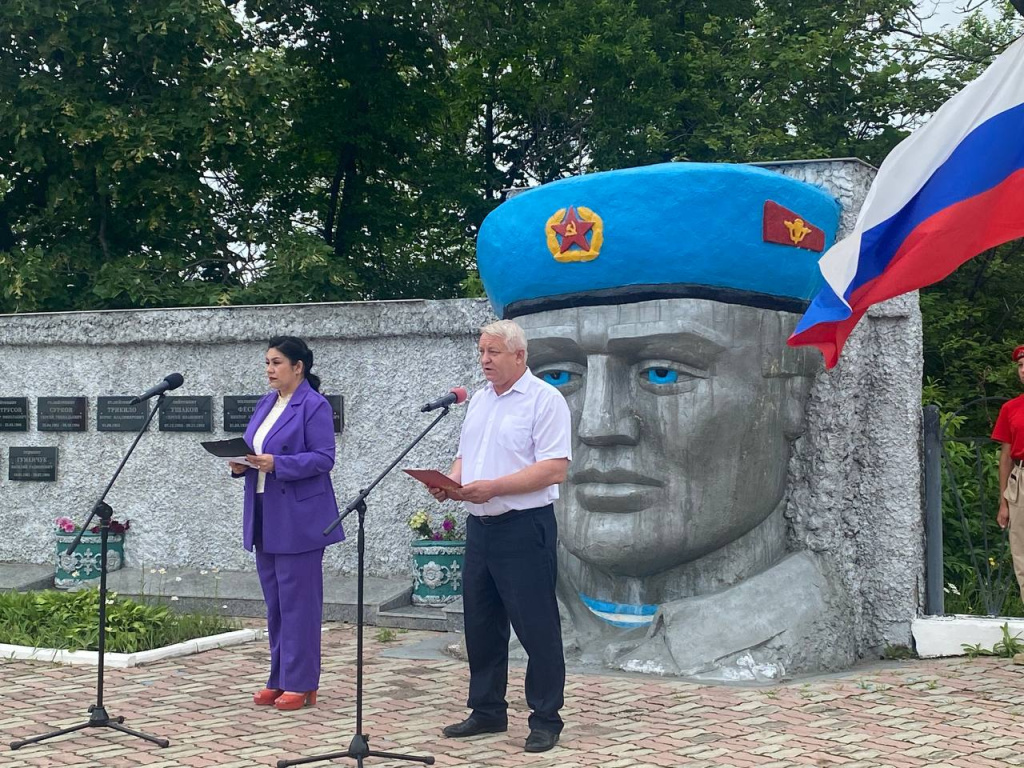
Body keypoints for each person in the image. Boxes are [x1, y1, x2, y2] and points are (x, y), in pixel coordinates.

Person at [475, 162, 856, 678]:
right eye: (558, 376)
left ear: (791, 389)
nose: (598, 426)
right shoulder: (512, 611)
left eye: (662, 372)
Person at [428, 319, 571, 754]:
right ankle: (487, 709)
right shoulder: (479, 400)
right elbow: (465, 455)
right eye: (481, 352)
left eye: (493, 352)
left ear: (519, 356)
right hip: (480, 527)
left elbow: (554, 468)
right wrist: (451, 482)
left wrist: (494, 487)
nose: (484, 360)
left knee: (536, 626)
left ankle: (545, 718)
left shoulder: (545, 400)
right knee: (482, 624)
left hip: (523, 527)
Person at [230, 335, 344, 711]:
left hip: (299, 517)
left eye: (276, 362)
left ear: (298, 367)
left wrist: (278, 464)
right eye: (267, 362)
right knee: (276, 603)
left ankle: (302, 682)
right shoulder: (267, 403)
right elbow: (254, 449)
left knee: (299, 604)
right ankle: (278, 678)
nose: (269, 369)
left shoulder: (314, 405)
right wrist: (241, 464)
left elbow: (324, 458)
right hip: (264, 511)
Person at [993, 344, 1024, 602]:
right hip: (1020, 480)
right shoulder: (1011, 408)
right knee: (1021, 553)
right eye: (1021, 366)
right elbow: (1005, 457)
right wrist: (1003, 502)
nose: (1023, 370)